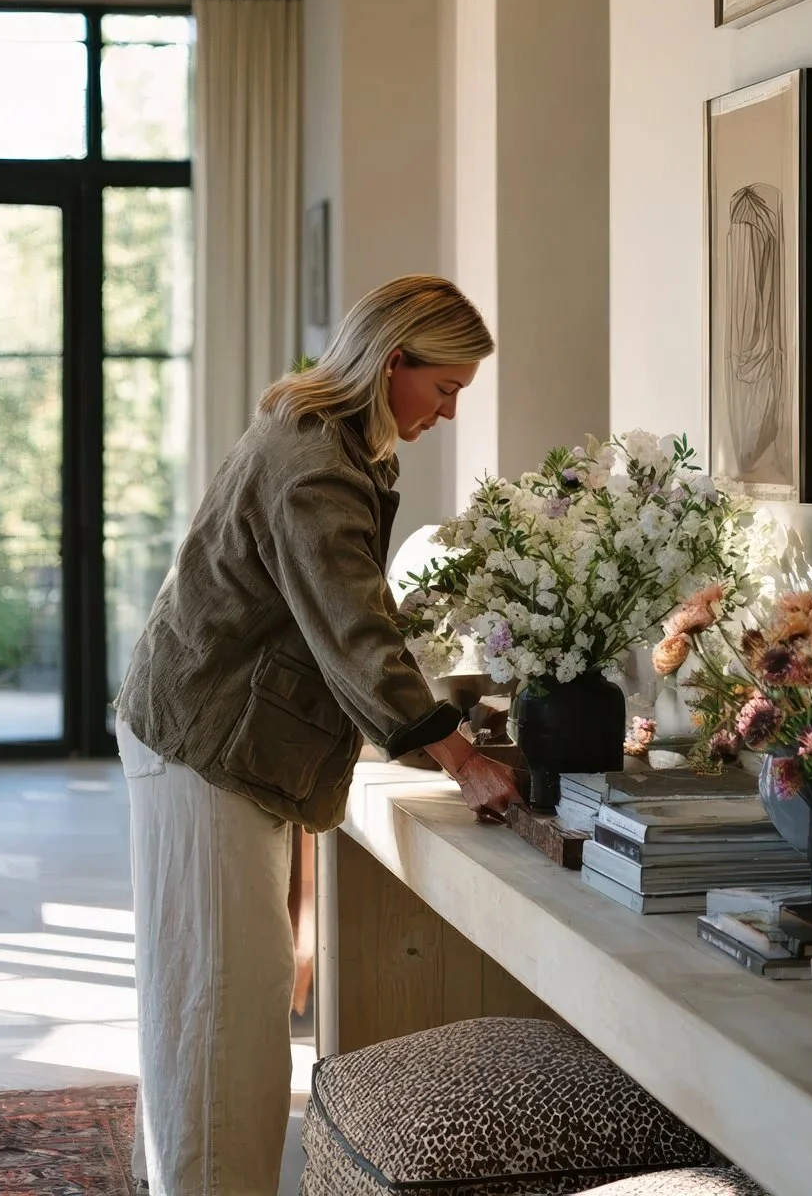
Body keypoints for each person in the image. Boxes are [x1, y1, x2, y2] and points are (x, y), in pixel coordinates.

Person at [113, 275, 523, 1195]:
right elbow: (353, 630)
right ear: (392, 363)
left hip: (213, 735)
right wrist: (460, 759)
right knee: (220, 1024)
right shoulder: (318, 466)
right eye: (446, 388)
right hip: (208, 743)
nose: (450, 413)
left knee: (212, 1010)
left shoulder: (330, 439)